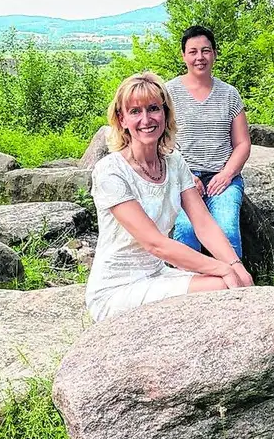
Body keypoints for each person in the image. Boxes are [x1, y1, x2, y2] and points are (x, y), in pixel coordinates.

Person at [87, 71, 254, 322]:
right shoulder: (111, 171)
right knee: (221, 285)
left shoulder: (174, 162)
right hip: (117, 288)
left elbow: (204, 223)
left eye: (153, 108)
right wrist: (222, 269)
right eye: (135, 111)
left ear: (165, 113)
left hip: (158, 274)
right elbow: (155, 243)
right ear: (121, 119)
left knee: (230, 280)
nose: (146, 119)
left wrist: (235, 264)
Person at [165, 25, 251, 258]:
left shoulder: (229, 94)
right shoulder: (168, 93)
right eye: (192, 52)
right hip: (183, 178)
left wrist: (226, 175)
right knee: (186, 229)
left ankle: (232, 287)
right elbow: (161, 141)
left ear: (214, 53)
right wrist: (186, 175)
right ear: (183, 55)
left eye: (205, 51)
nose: (199, 57)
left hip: (222, 177)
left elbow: (242, 143)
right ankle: (190, 289)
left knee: (227, 230)